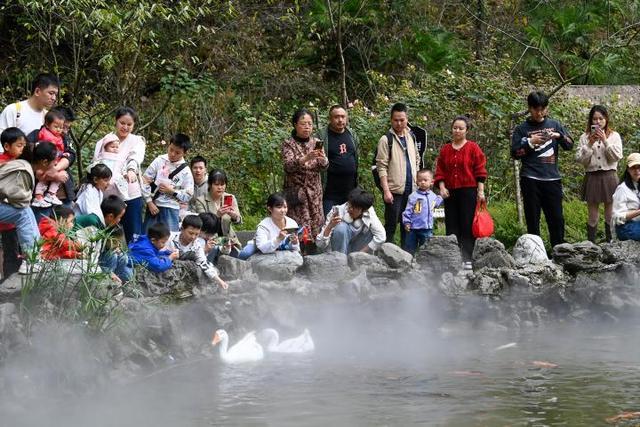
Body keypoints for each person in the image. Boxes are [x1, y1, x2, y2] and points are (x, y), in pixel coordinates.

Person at [511, 91, 574, 248]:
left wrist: (558, 136)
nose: (539, 113)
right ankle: (536, 255)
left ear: (546, 108)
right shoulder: (521, 129)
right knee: (532, 218)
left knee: (557, 218)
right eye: (536, 109)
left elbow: (570, 145)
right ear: (529, 108)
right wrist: (530, 143)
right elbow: (515, 153)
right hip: (530, 178)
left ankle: (559, 252)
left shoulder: (555, 124)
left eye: (542, 109)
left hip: (552, 178)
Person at [434, 116, 487, 266]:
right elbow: (440, 171)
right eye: (455, 127)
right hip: (450, 192)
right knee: (452, 225)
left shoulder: (473, 148)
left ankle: (468, 258)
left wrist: (480, 191)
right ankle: (452, 259)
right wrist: (442, 187)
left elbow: (480, 170)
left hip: (469, 191)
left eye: (461, 128)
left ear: (466, 130)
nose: (457, 130)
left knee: (467, 224)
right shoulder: (445, 149)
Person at [93, 107, 146, 243]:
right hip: (107, 194)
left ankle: (134, 261)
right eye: (122, 123)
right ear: (116, 121)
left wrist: (131, 170)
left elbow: (134, 158)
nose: (125, 127)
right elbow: (96, 163)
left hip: (130, 193)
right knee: (106, 231)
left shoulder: (137, 141)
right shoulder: (103, 141)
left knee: (132, 231)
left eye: (129, 124)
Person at [375, 102, 421, 248]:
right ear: (391, 120)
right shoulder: (385, 139)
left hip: (412, 189)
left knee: (408, 224)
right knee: (391, 224)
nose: (399, 123)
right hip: (394, 190)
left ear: (407, 119)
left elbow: (417, 159)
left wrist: (418, 183)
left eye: (402, 119)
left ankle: (406, 255)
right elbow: (381, 166)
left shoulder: (411, 136)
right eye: (396, 120)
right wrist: (386, 191)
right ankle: (387, 254)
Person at [575, 105, 623, 243]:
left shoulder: (614, 136)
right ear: (590, 120)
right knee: (593, 217)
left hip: (610, 176)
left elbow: (617, 156)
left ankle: (611, 244)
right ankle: (591, 246)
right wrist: (590, 144)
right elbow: (580, 159)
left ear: (606, 119)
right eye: (594, 119)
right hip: (592, 177)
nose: (598, 122)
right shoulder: (584, 137)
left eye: (601, 118)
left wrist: (605, 141)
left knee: (610, 215)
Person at [282, 108, 328, 238]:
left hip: (315, 193)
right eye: (303, 124)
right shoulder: (288, 144)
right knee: (298, 228)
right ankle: (297, 253)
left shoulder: (316, 142)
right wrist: (306, 158)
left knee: (317, 226)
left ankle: (315, 254)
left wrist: (322, 158)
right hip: (297, 193)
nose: (307, 127)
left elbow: (324, 166)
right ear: (295, 125)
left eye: (309, 124)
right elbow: (288, 166)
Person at [142, 133, 194, 232]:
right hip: (154, 206)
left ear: (185, 153)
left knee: (168, 240)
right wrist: (149, 201)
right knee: (147, 238)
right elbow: (144, 180)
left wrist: (172, 191)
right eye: (171, 150)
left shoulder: (185, 171)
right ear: (168, 146)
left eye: (177, 152)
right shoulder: (159, 160)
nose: (173, 154)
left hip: (171, 208)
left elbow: (189, 195)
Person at [75, 195, 131, 283]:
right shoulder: (93, 222)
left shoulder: (106, 222)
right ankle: (105, 284)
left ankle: (115, 284)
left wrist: (116, 248)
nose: (119, 220)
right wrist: (109, 273)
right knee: (112, 256)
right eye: (119, 217)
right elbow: (90, 253)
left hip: (97, 254)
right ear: (110, 216)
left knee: (124, 262)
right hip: (82, 256)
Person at [165, 215, 229, 289]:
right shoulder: (169, 238)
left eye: (196, 234)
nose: (193, 237)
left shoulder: (197, 245)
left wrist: (219, 281)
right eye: (190, 233)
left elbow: (203, 263)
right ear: (182, 229)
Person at [316, 187, 385, 255]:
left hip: (358, 250)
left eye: (355, 207)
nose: (350, 209)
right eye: (349, 205)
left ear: (363, 210)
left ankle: (360, 261)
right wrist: (329, 227)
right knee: (341, 228)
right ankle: (340, 261)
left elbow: (381, 236)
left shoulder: (369, 212)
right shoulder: (337, 211)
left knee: (371, 232)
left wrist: (360, 254)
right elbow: (320, 244)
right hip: (339, 251)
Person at [318, 105, 359, 216]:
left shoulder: (352, 134)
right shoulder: (322, 136)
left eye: (343, 116)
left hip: (350, 192)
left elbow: (356, 158)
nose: (340, 120)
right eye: (336, 117)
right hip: (330, 194)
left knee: (351, 224)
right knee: (330, 224)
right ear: (330, 119)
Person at [192, 169, 242, 257]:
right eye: (216, 184)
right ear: (210, 184)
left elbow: (239, 221)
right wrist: (217, 215)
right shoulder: (201, 200)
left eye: (222, 184)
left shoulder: (230, 197)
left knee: (236, 254)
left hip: (229, 239)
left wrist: (234, 216)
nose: (220, 187)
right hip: (209, 239)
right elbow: (203, 225)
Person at [0, 128, 29, 278]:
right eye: (19, 145)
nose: (22, 148)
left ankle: (10, 282)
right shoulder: (4, 164)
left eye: (23, 145)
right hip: (9, 217)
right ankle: (8, 285)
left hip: (12, 219)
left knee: (13, 251)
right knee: (10, 252)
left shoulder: (18, 162)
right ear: (6, 146)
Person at [238, 193, 300, 259]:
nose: (283, 210)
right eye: (279, 207)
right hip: (259, 245)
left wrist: (295, 243)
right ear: (270, 209)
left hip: (282, 248)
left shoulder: (292, 223)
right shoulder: (263, 226)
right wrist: (278, 239)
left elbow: (296, 249)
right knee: (245, 253)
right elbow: (263, 247)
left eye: (285, 207)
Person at [30, 110, 72, 207]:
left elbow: (71, 154)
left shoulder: (61, 137)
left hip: (54, 163)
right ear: (47, 124)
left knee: (59, 176)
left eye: (61, 127)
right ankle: (39, 196)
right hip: (46, 164)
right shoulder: (44, 135)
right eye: (56, 127)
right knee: (43, 179)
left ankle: (50, 194)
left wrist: (63, 154)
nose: (59, 130)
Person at [0, 73, 59, 137]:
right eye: (51, 93)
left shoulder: (48, 117)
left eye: (55, 94)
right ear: (37, 91)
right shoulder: (13, 110)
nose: (54, 98)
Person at [402, 169, 444, 256]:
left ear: (431, 182)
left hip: (427, 228)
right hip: (413, 228)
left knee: (426, 249)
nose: (423, 182)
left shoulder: (433, 196)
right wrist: (406, 222)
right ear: (417, 182)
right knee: (409, 248)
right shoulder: (413, 196)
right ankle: (407, 263)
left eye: (425, 180)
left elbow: (436, 204)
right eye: (420, 180)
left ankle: (424, 265)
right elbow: (408, 210)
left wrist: (441, 197)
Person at [611, 153, 640, 241]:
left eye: (639, 167)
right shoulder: (622, 189)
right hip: (625, 227)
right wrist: (638, 212)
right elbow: (616, 217)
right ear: (628, 169)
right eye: (633, 167)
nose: (637, 170)